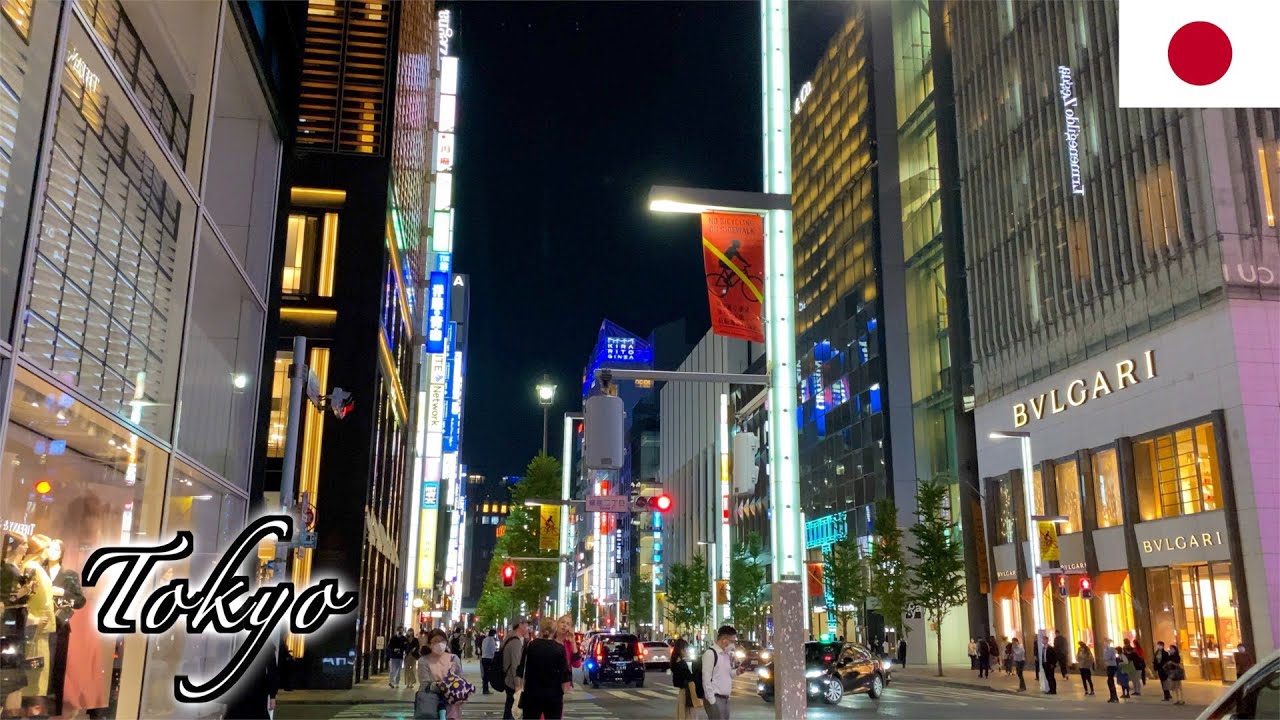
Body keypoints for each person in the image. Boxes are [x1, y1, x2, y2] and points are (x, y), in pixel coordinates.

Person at [519, 617, 572, 719]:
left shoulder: (531, 645)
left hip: (532, 693)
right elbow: (564, 672)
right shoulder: (559, 648)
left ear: (541, 629)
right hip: (553, 694)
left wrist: (519, 686)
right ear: (554, 630)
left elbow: (522, 668)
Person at [419, 628, 468, 720]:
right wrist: (441, 685)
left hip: (451, 705)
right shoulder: (424, 660)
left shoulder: (453, 659)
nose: (439, 644)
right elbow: (424, 684)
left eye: (442, 641)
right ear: (430, 644)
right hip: (430, 703)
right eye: (436, 641)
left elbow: (461, 679)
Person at [702, 625, 743, 720]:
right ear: (724, 639)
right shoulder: (710, 654)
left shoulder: (726, 655)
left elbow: (727, 675)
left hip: (725, 698)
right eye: (732, 641)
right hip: (715, 698)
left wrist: (736, 672)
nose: (733, 644)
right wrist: (712, 701)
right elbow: (706, 680)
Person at [502, 618, 529, 720]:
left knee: (509, 709)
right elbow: (516, 665)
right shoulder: (516, 642)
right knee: (512, 712)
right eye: (526, 624)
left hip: (507, 679)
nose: (528, 627)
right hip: (512, 682)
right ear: (520, 625)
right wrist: (518, 685)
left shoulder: (509, 637)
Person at [671, 639, 697, 719]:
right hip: (686, 692)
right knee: (688, 715)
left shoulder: (676, 661)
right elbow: (687, 678)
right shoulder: (680, 663)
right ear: (682, 650)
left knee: (683, 715)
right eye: (687, 649)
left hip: (683, 692)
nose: (688, 651)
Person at [481, 628, 500, 695]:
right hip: (489, 659)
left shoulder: (485, 639)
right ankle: (486, 689)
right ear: (493, 634)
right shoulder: (491, 640)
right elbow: (493, 651)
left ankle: (485, 688)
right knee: (488, 674)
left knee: (485, 674)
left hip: (483, 658)